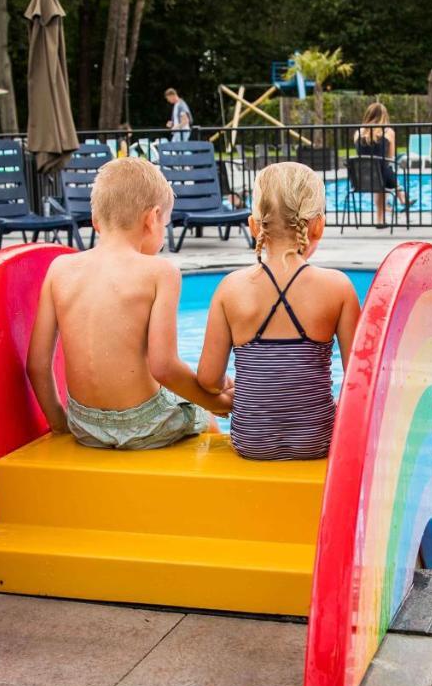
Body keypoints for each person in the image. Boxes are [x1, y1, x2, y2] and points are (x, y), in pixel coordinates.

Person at [26, 157, 230, 450]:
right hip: (144, 424)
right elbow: (164, 367)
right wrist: (214, 401)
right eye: (165, 224)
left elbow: (37, 365)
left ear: (96, 220)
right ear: (152, 218)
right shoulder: (161, 272)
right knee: (204, 416)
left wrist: (61, 425)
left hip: (84, 425)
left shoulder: (59, 269)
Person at [196, 162, 360, 461]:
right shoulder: (338, 287)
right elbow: (359, 380)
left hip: (250, 440)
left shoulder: (231, 288)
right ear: (318, 225)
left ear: (254, 226)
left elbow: (207, 379)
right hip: (317, 439)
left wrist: (232, 387)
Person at [353, 102, 413, 227]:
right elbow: (390, 157)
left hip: (361, 177)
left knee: (380, 173)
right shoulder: (388, 132)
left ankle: (382, 217)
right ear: (383, 116)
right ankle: (401, 196)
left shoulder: (358, 133)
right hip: (381, 176)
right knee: (385, 171)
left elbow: (359, 155)